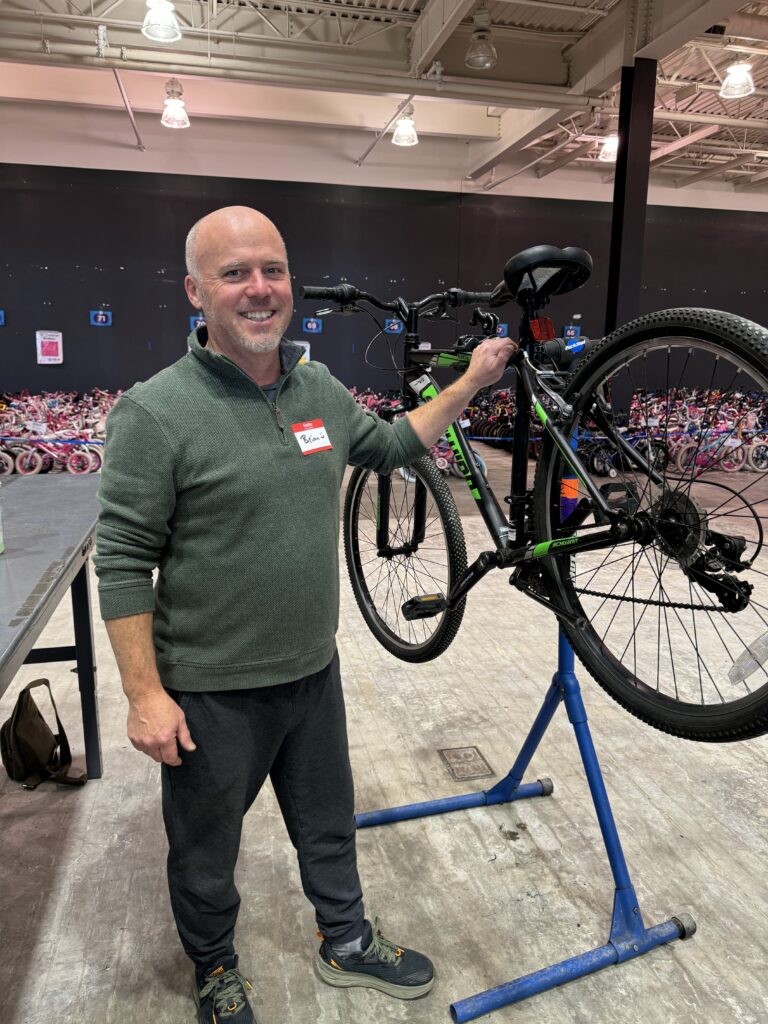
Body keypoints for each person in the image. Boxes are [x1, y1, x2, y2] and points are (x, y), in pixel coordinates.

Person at [95, 206, 516, 1024]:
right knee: (207, 852)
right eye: (235, 273)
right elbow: (119, 560)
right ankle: (214, 965)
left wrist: (468, 384)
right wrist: (146, 695)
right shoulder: (154, 413)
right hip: (210, 692)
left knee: (329, 825)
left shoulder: (315, 387)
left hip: (311, 671)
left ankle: (347, 940)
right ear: (196, 292)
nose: (259, 289)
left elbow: (392, 448)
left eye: (273, 270)